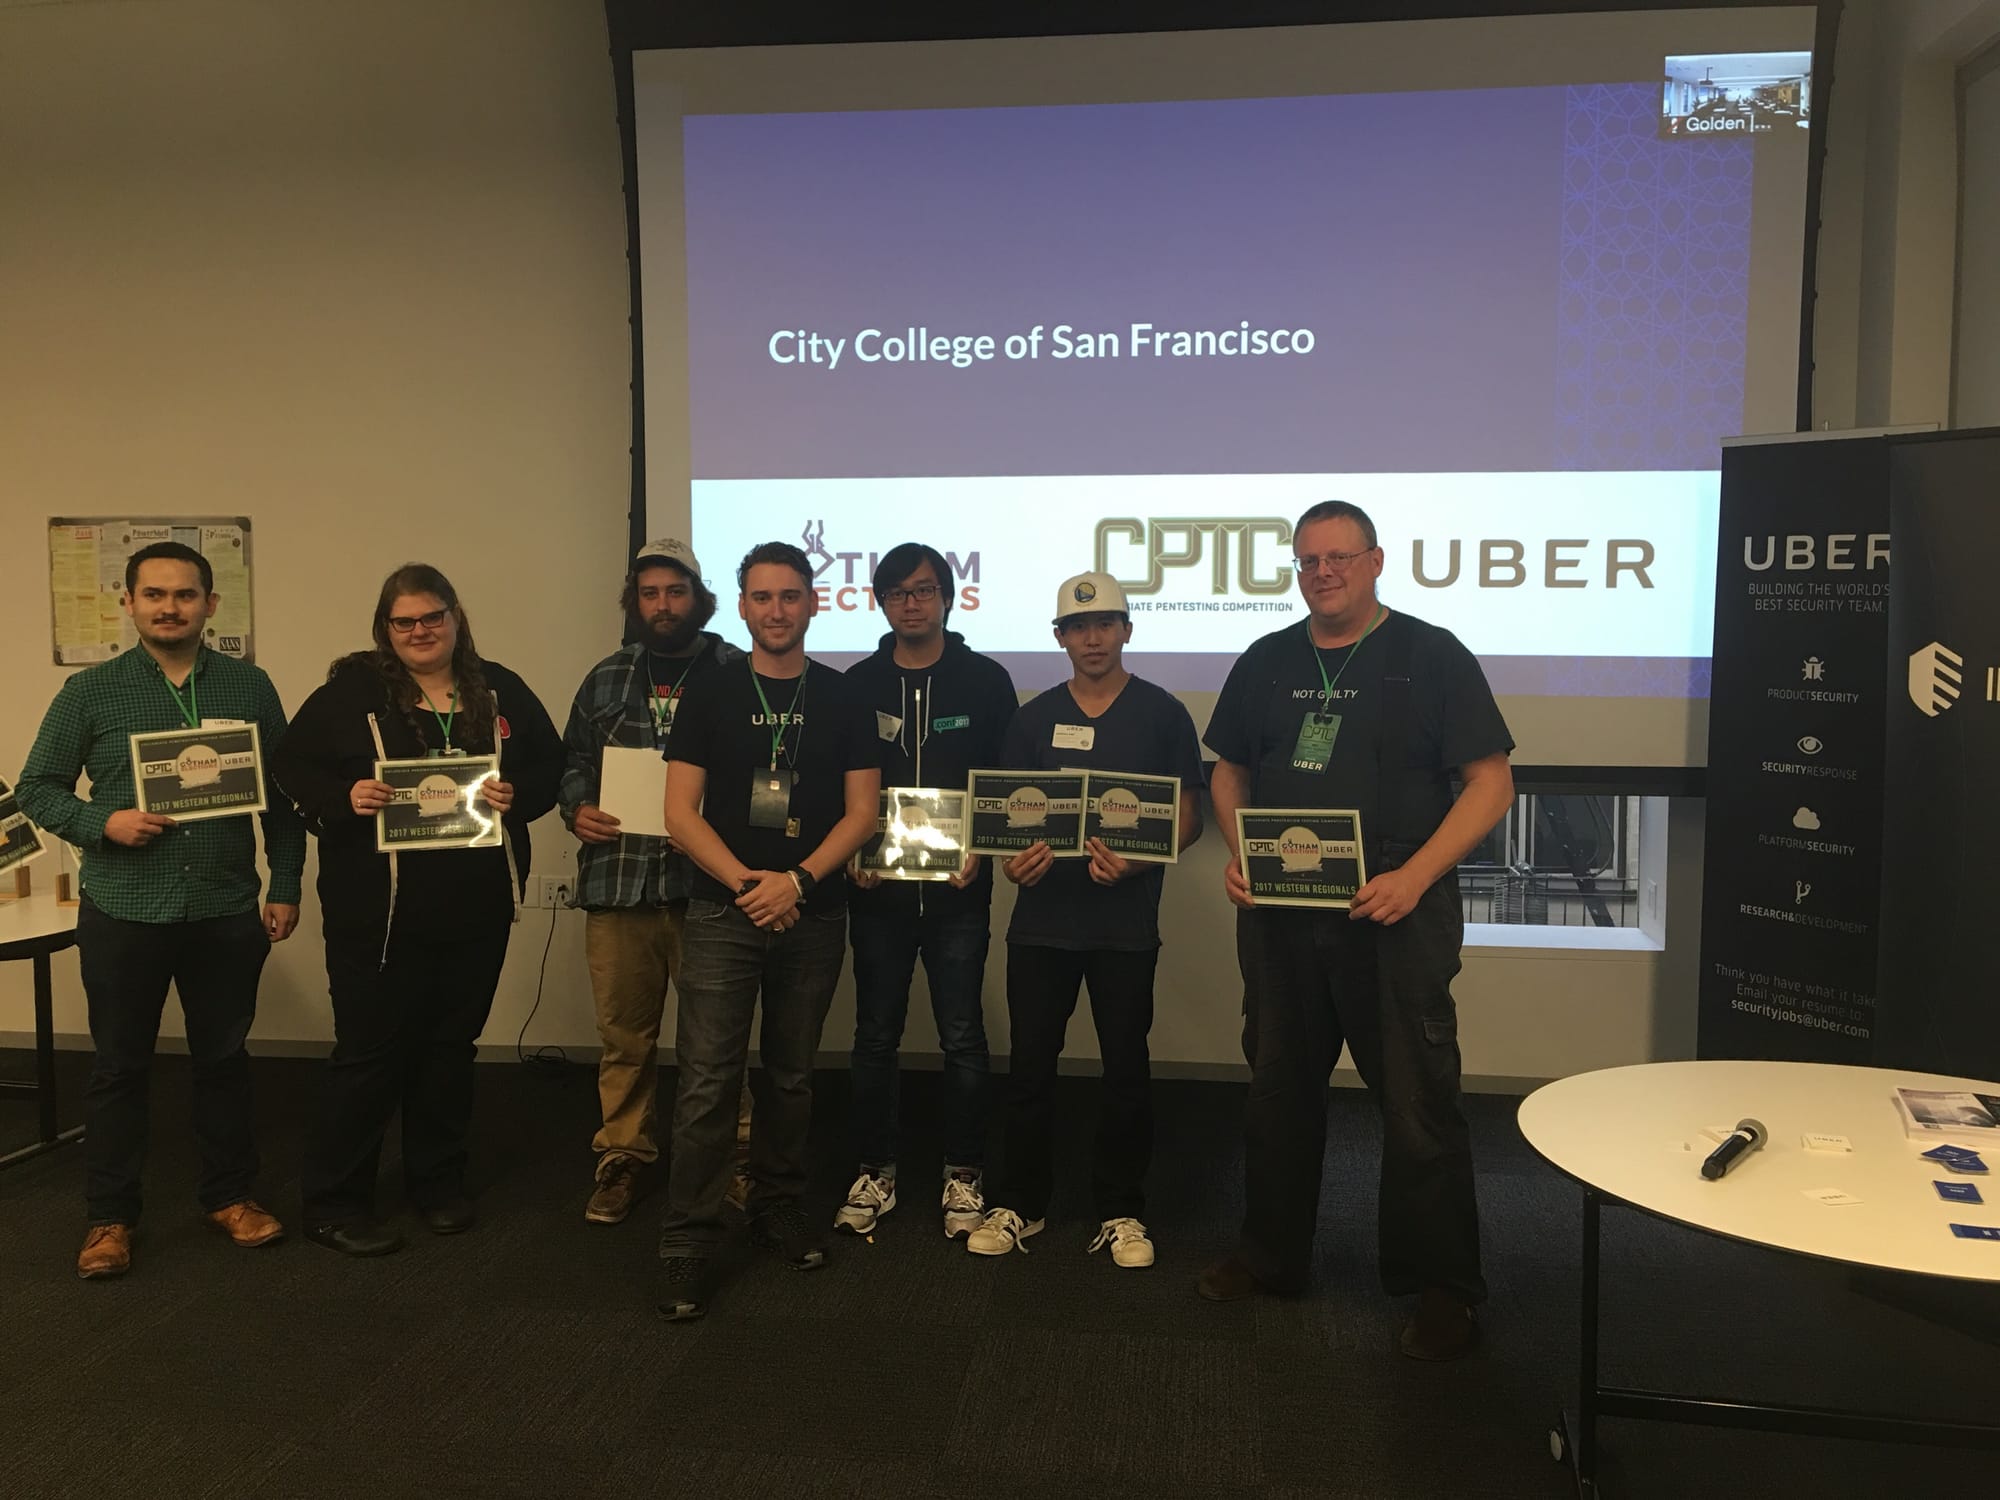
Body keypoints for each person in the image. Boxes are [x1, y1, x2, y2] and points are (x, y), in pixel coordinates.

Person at [1198, 500, 1514, 1362]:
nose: (1323, 572)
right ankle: (1271, 1256)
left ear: (1375, 562)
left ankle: (1443, 1288)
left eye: (1340, 557)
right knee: (1277, 1091)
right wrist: (1241, 851)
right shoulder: (1266, 660)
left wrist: (1416, 877)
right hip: (1281, 918)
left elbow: (1491, 783)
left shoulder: (1432, 655)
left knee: (1418, 1104)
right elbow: (1228, 771)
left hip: (1396, 911)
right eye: (1309, 560)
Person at [18, 541, 305, 1279]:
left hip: (224, 908)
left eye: (184, 594)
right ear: (129, 603)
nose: (169, 607)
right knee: (118, 1069)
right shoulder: (90, 692)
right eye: (154, 594)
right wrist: (101, 823)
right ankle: (110, 1218)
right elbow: (37, 787)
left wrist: (285, 882)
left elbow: (282, 796)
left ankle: (230, 1196)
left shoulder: (250, 686)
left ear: (211, 604)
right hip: (124, 910)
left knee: (224, 1062)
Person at [272, 563, 562, 1256]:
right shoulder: (351, 694)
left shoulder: (499, 688)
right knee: (369, 1056)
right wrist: (344, 797)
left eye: (432, 617)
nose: (419, 631)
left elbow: (552, 767)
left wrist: (517, 793)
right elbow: (289, 767)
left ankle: (436, 1183)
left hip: (476, 906)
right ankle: (335, 1203)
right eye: (404, 622)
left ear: (456, 618)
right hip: (378, 914)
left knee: (449, 1050)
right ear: (385, 628)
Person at [655, 541, 879, 1320]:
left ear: (813, 604)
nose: (776, 610)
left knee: (790, 1076)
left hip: (813, 912)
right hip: (726, 910)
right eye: (762, 597)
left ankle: (777, 1205)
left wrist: (798, 881)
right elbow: (678, 813)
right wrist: (751, 885)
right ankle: (688, 1235)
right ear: (742, 606)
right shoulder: (710, 692)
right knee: (707, 1080)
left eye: (790, 596)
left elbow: (863, 813)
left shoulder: (845, 697)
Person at [965, 572, 1204, 1268]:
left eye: (1104, 624)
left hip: (1124, 929)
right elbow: (1007, 822)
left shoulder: (1163, 714)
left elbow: (1189, 816)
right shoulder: (1032, 719)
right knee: (1030, 1068)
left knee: (1126, 1069)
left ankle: (1122, 1209)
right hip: (1041, 928)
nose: (1092, 638)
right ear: (1060, 637)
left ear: (1127, 630)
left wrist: (1137, 862)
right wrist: (1012, 863)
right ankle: (1020, 1202)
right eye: (1077, 627)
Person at [558, 538, 755, 1226]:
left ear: (699, 598)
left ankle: (734, 1156)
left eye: (676, 591)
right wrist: (577, 808)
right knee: (625, 1037)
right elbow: (574, 761)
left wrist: (715, 820)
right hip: (620, 883)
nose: (663, 605)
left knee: (718, 1038)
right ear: (634, 603)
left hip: (709, 888)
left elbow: (767, 767)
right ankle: (623, 1155)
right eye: (649, 594)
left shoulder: (737, 672)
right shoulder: (607, 677)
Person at [836, 542, 1018, 1239]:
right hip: (876, 895)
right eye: (897, 593)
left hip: (958, 897)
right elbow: (838, 784)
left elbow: (1006, 785)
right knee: (874, 1036)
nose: (911, 603)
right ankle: (874, 1170)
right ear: (880, 603)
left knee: (963, 1036)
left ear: (948, 596)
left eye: (923, 590)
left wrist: (985, 846)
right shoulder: (857, 684)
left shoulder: (986, 680)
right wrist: (850, 853)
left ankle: (963, 1173)